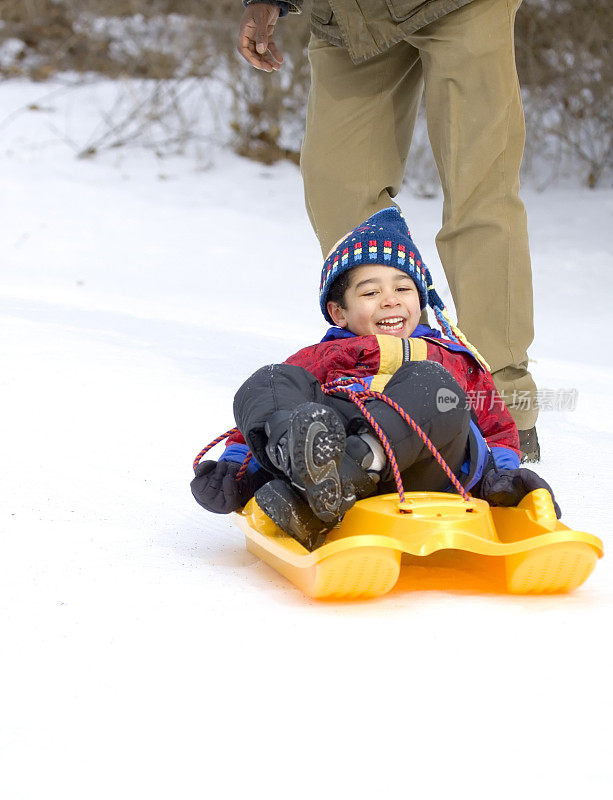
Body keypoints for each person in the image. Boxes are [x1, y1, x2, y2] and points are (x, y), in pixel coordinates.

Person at [237, 0, 541, 462]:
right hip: (349, 16)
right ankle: (384, 371)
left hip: (461, 7)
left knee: (481, 196)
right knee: (339, 190)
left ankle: (497, 397)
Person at [191, 208, 558, 550]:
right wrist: (236, 465)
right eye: (370, 292)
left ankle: (340, 476)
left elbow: (495, 425)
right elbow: (266, 408)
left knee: (434, 385)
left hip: (427, 471)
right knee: (271, 379)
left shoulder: (450, 357)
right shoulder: (322, 357)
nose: (390, 300)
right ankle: (297, 460)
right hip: (334, 434)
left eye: (403, 288)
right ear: (339, 312)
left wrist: (506, 476)